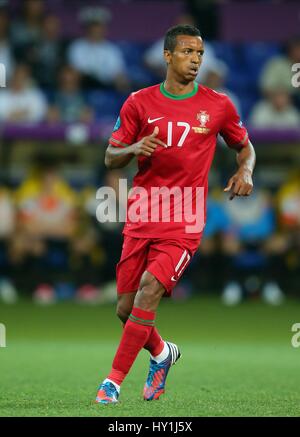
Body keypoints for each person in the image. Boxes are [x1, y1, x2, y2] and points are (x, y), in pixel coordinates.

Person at [95, 24, 256, 404]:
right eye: (187, 52)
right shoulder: (138, 102)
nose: (196, 59)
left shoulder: (219, 105)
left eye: (200, 53)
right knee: (125, 308)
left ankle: (112, 383)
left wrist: (245, 170)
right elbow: (110, 157)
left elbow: (245, 147)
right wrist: (135, 146)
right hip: (143, 211)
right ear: (168, 56)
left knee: (149, 291)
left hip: (185, 217)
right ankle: (163, 354)